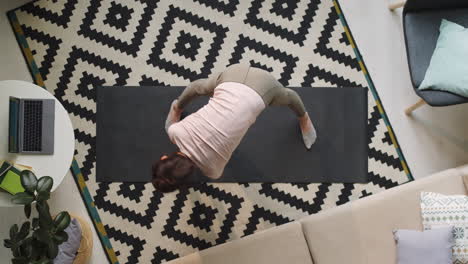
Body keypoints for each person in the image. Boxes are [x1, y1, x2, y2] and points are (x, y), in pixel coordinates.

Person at [152, 64, 317, 192]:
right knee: (200, 87)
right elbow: (177, 133)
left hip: (264, 87)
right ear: (164, 158)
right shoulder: (175, 131)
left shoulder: (212, 171)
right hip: (234, 74)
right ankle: (178, 106)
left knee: (288, 96)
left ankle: (305, 118)